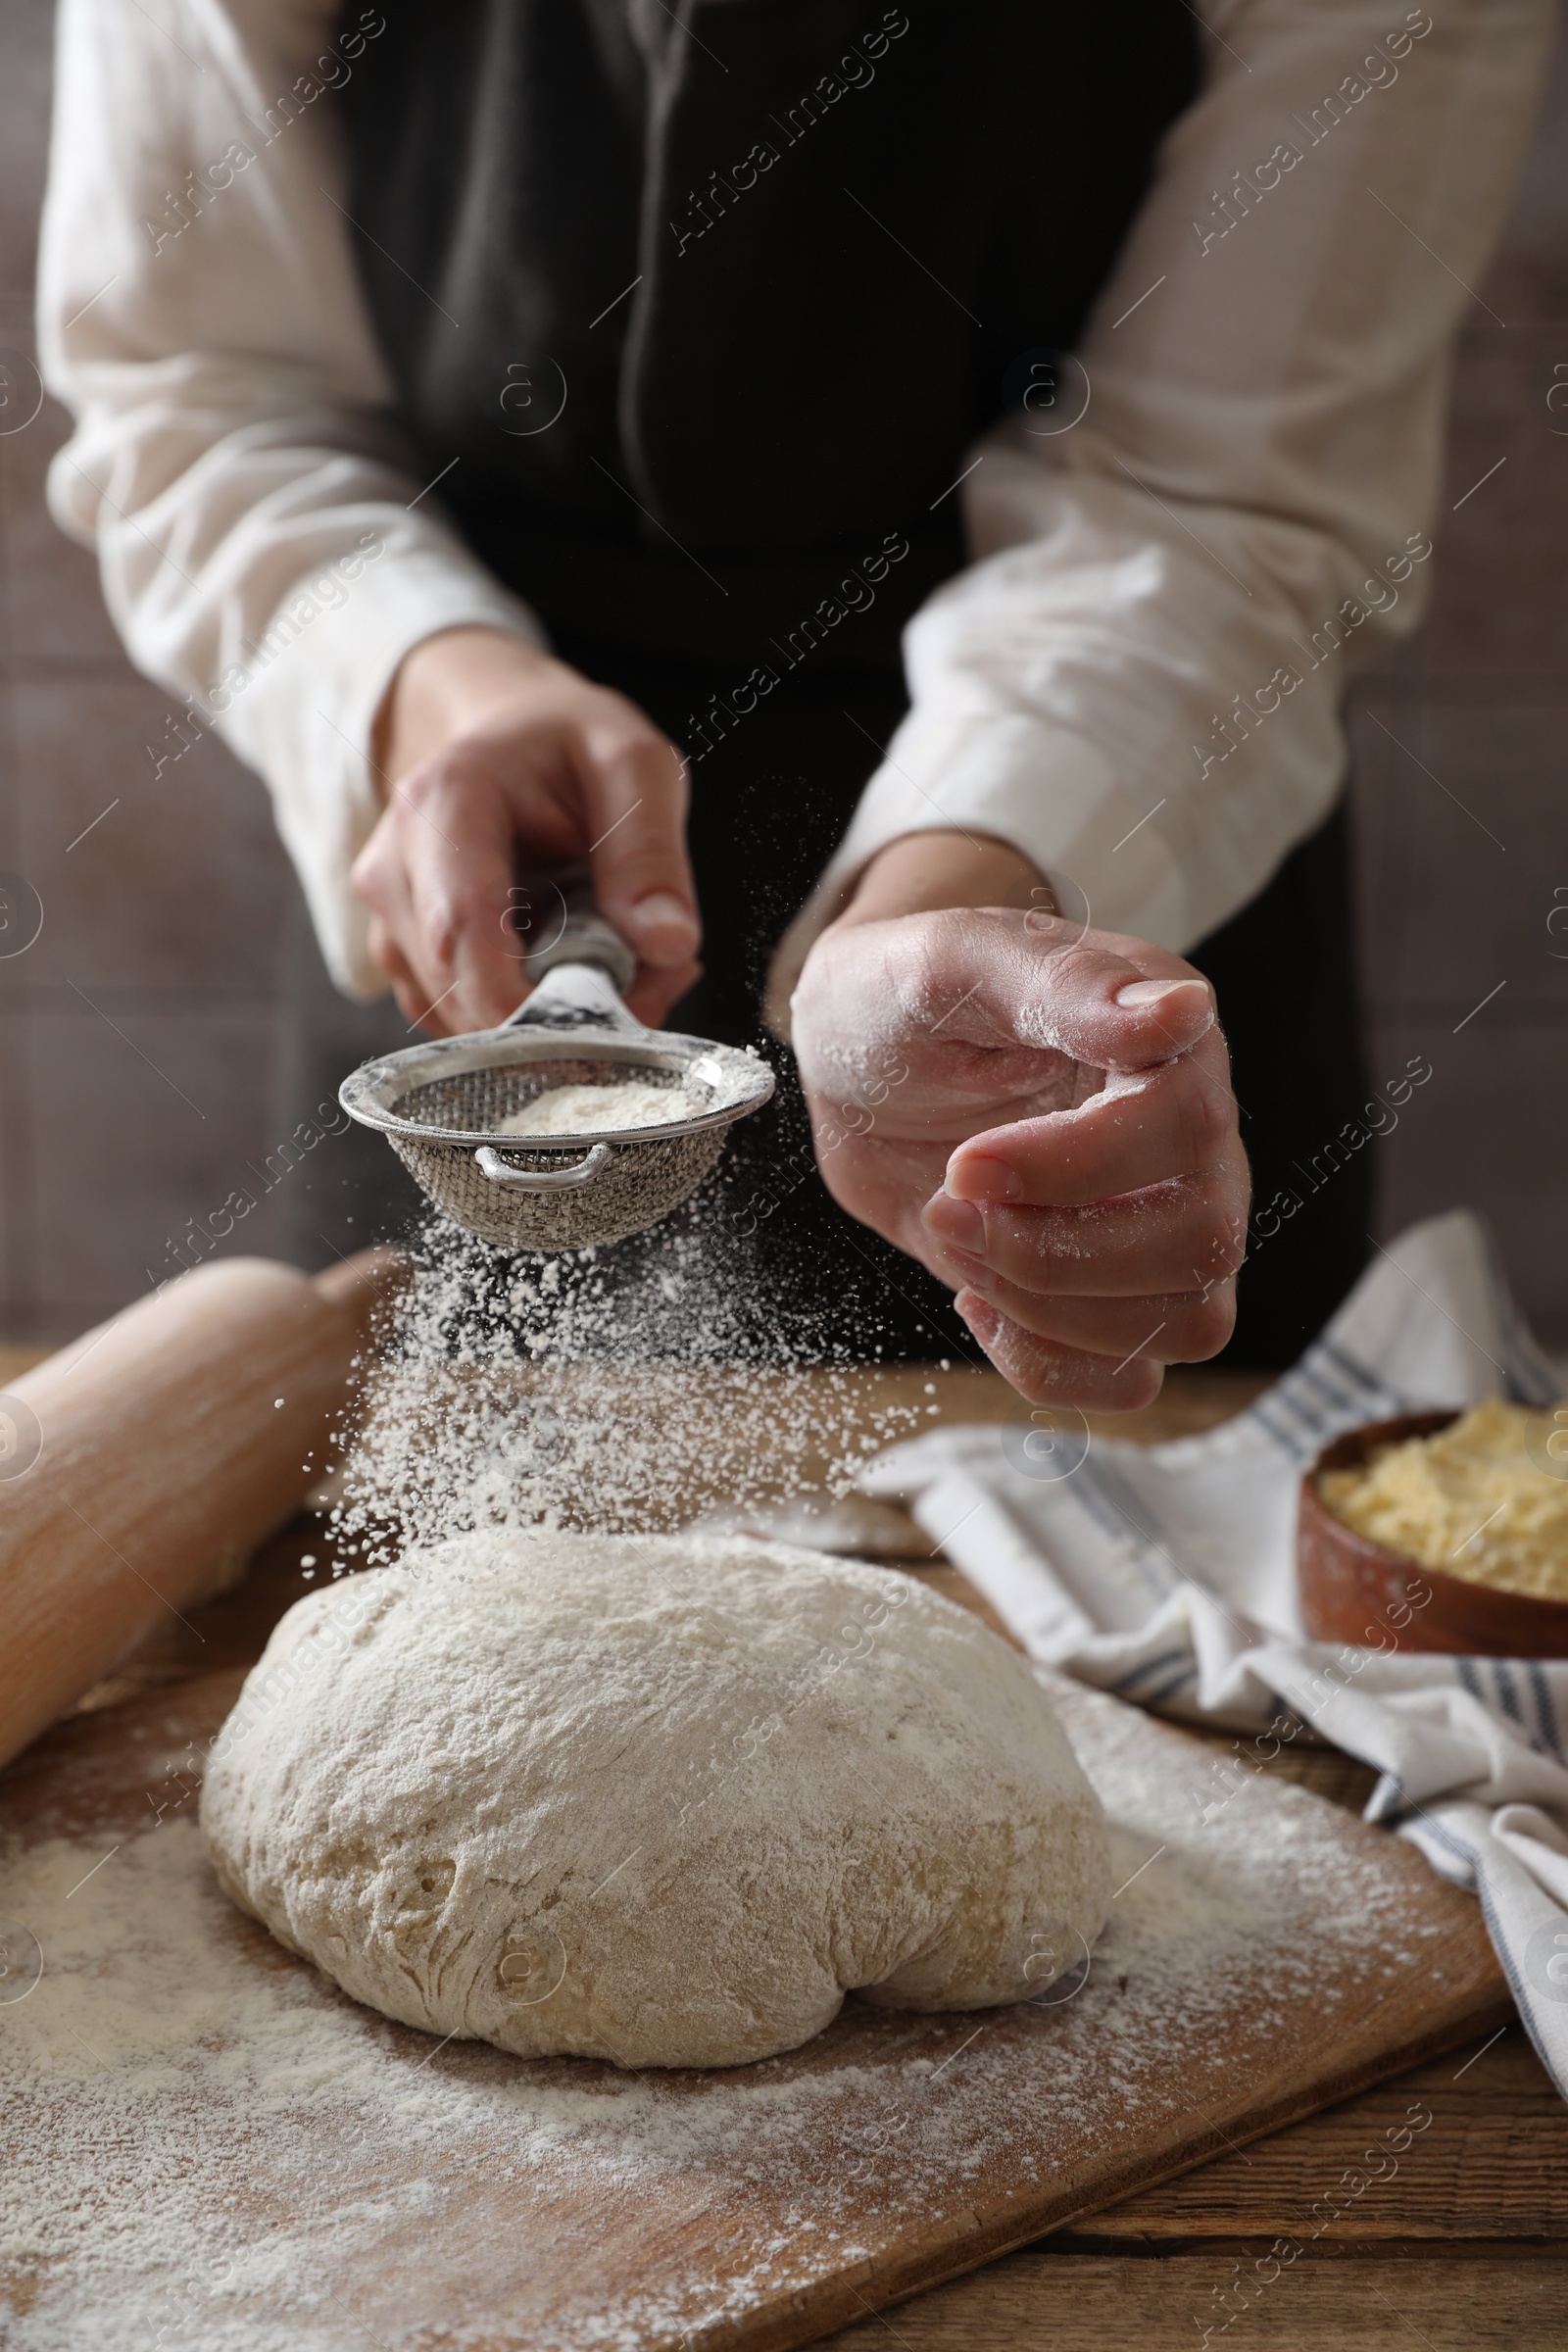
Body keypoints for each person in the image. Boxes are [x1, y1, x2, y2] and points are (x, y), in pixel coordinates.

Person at [38, 0, 1548, 1400]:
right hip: (460, 861)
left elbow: (1227, 506)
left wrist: (963, 880)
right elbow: (203, 388)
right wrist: (432, 694)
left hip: (1077, 906)